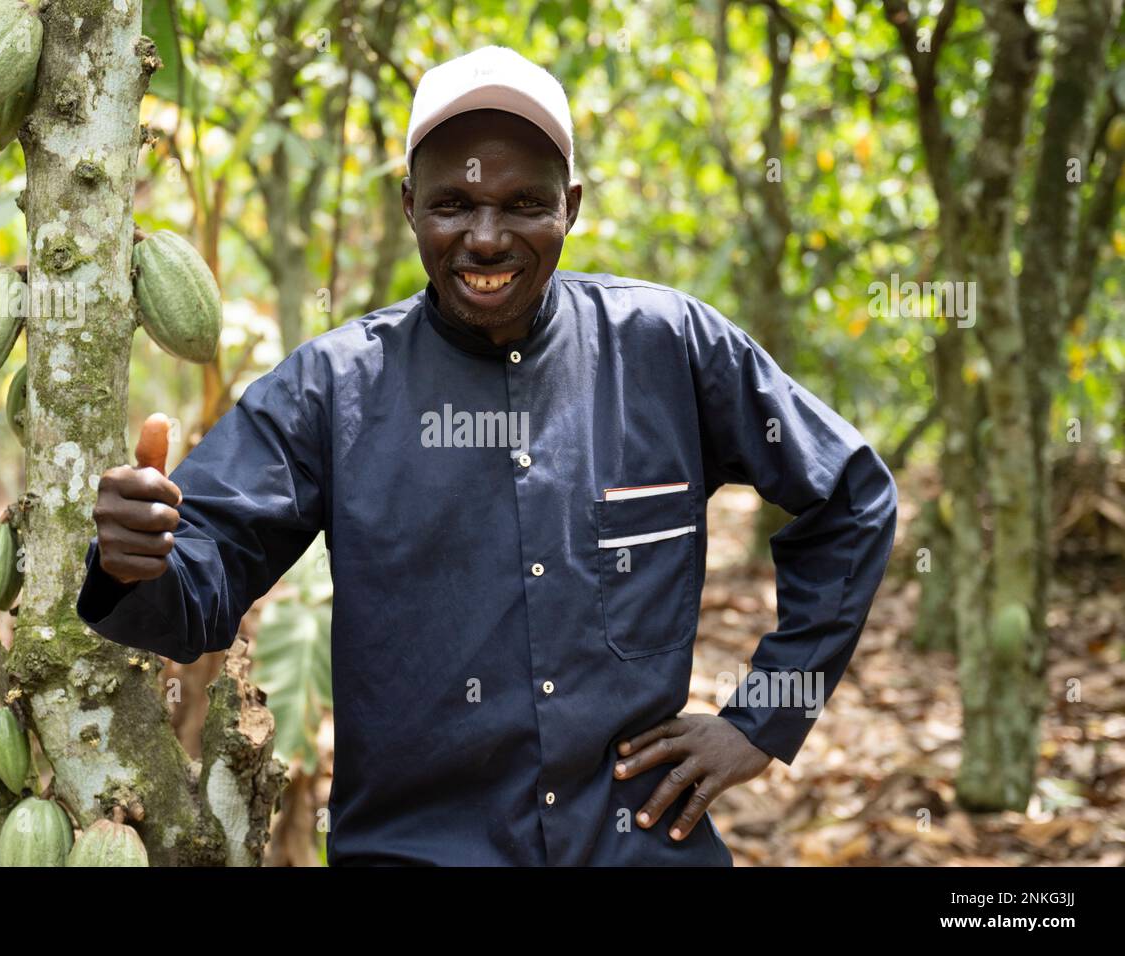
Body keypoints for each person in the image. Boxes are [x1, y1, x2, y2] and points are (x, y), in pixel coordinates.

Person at [77, 45, 898, 866]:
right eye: (454, 204)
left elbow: (851, 496)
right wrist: (131, 559)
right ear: (408, 207)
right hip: (420, 850)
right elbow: (195, 588)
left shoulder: (666, 348)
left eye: (524, 204)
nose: (487, 237)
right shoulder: (332, 390)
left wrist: (763, 722)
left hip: (639, 845)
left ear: (570, 206)